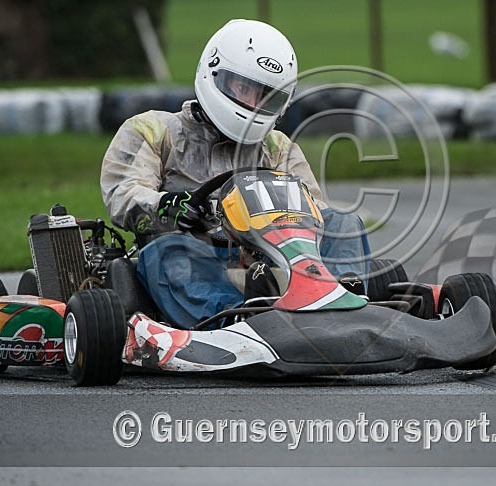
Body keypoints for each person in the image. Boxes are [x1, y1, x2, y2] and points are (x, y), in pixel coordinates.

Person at [100, 19, 369, 329]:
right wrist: (167, 205)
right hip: (196, 257)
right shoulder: (153, 130)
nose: (253, 105)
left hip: (271, 260)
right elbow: (124, 191)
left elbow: (314, 212)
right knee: (165, 251)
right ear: (214, 72)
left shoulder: (277, 147)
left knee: (343, 223)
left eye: (266, 97)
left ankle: (342, 303)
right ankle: (233, 321)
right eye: (244, 89)